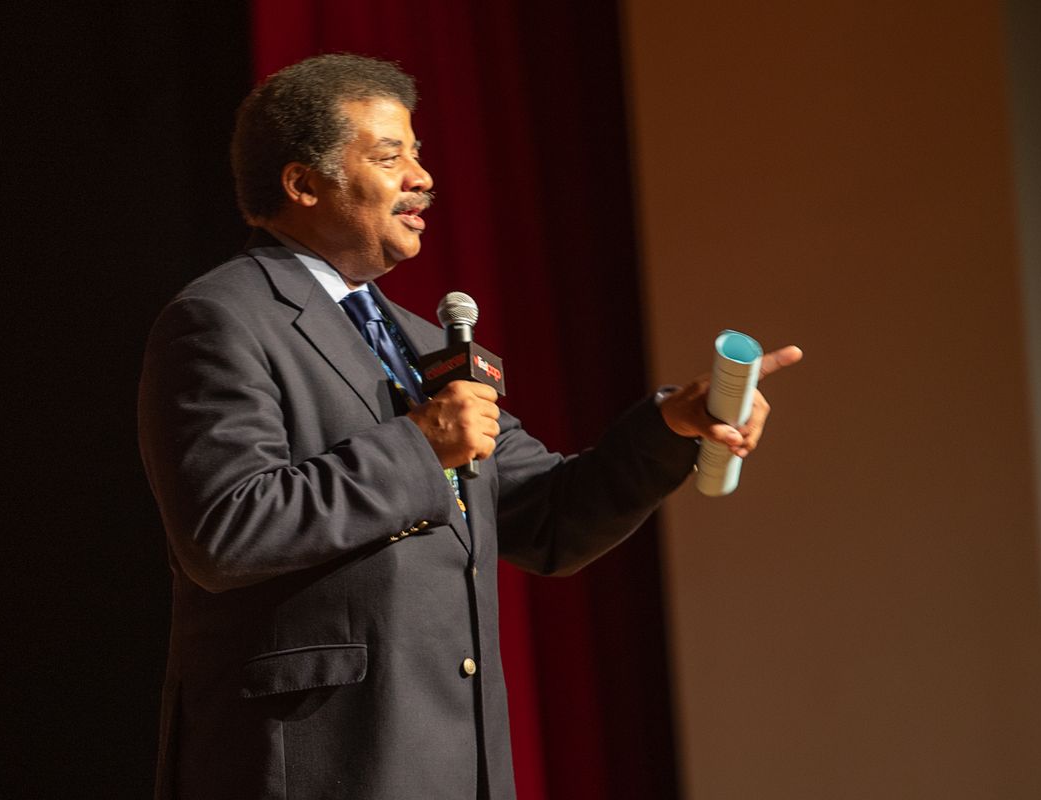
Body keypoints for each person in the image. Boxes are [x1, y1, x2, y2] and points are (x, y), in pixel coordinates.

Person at [138, 53, 801, 800]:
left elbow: (549, 518)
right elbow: (226, 529)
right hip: (319, 763)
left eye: (418, 155)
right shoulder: (222, 319)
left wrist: (671, 427)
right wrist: (420, 447)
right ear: (302, 183)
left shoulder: (425, 343)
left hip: (454, 765)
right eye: (391, 157)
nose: (422, 177)